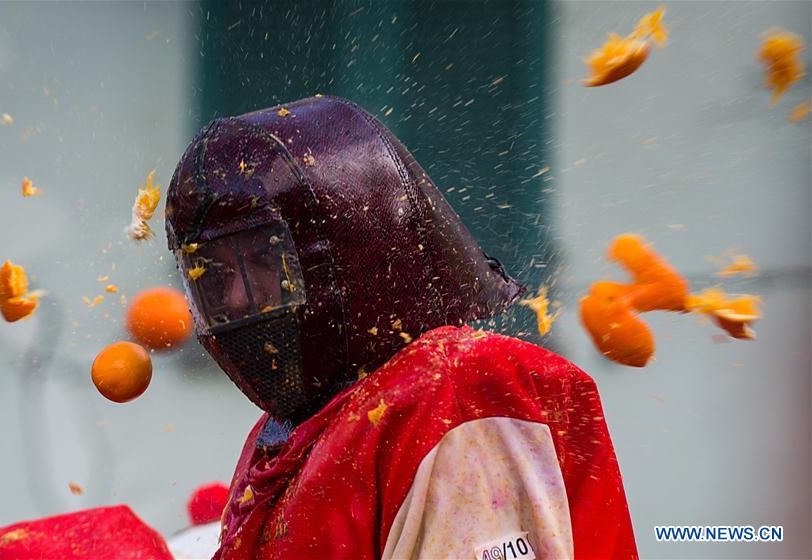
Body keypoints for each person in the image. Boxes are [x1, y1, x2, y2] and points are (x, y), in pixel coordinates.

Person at [166, 95, 638, 559]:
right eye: (218, 275)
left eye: (264, 262)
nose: (237, 299)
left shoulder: (453, 390)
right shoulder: (287, 433)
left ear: (352, 256)